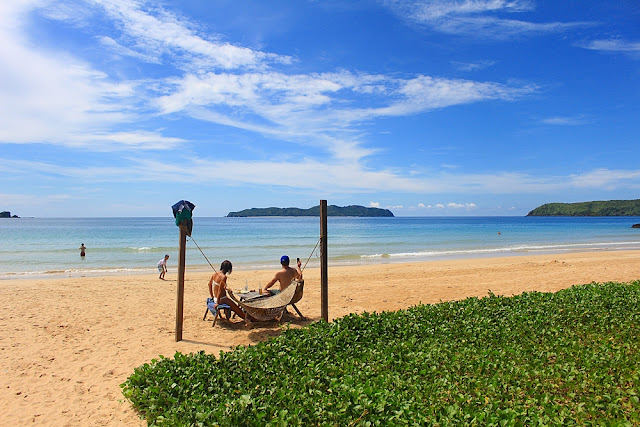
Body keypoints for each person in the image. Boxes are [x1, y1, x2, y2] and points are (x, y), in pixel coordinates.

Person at [208, 260, 255, 326]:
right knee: (239, 311)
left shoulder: (215, 274)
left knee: (237, 306)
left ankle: (232, 315)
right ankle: (253, 319)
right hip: (222, 299)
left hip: (216, 298)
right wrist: (217, 303)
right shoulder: (223, 277)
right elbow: (220, 290)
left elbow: (209, 284)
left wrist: (212, 296)